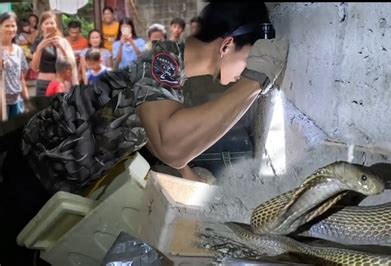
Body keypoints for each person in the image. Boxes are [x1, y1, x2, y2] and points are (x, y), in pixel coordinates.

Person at [20, 2, 288, 193]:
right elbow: (169, 146)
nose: (244, 72)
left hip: (65, 175)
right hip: (35, 169)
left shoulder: (176, 68)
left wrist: (186, 173)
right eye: (249, 59)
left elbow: (150, 117)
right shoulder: (163, 57)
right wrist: (254, 82)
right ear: (227, 45)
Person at [30, 11, 78, 96]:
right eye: (46, 23)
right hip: (43, 84)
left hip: (60, 84)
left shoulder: (62, 42)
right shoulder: (38, 43)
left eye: (52, 23)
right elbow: (34, 68)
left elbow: (70, 64)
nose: (49, 25)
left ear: (56, 25)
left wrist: (61, 48)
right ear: (41, 26)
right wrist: (40, 48)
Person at [0, 12, 29, 120]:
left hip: (17, 101)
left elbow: (21, 77)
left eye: (13, 26)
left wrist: (27, 101)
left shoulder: (18, 50)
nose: (11, 29)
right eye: (7, 26)